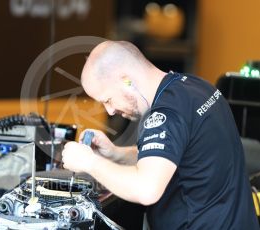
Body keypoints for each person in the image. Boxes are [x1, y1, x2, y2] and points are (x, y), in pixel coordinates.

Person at [61, 40, 259, 229]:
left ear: (127, 80)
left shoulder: (165, 115)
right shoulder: (196, 86)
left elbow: (146, 189)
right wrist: (115, 154)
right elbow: (167, 158)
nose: (110, 111)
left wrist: (89, 162)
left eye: (108, 100)